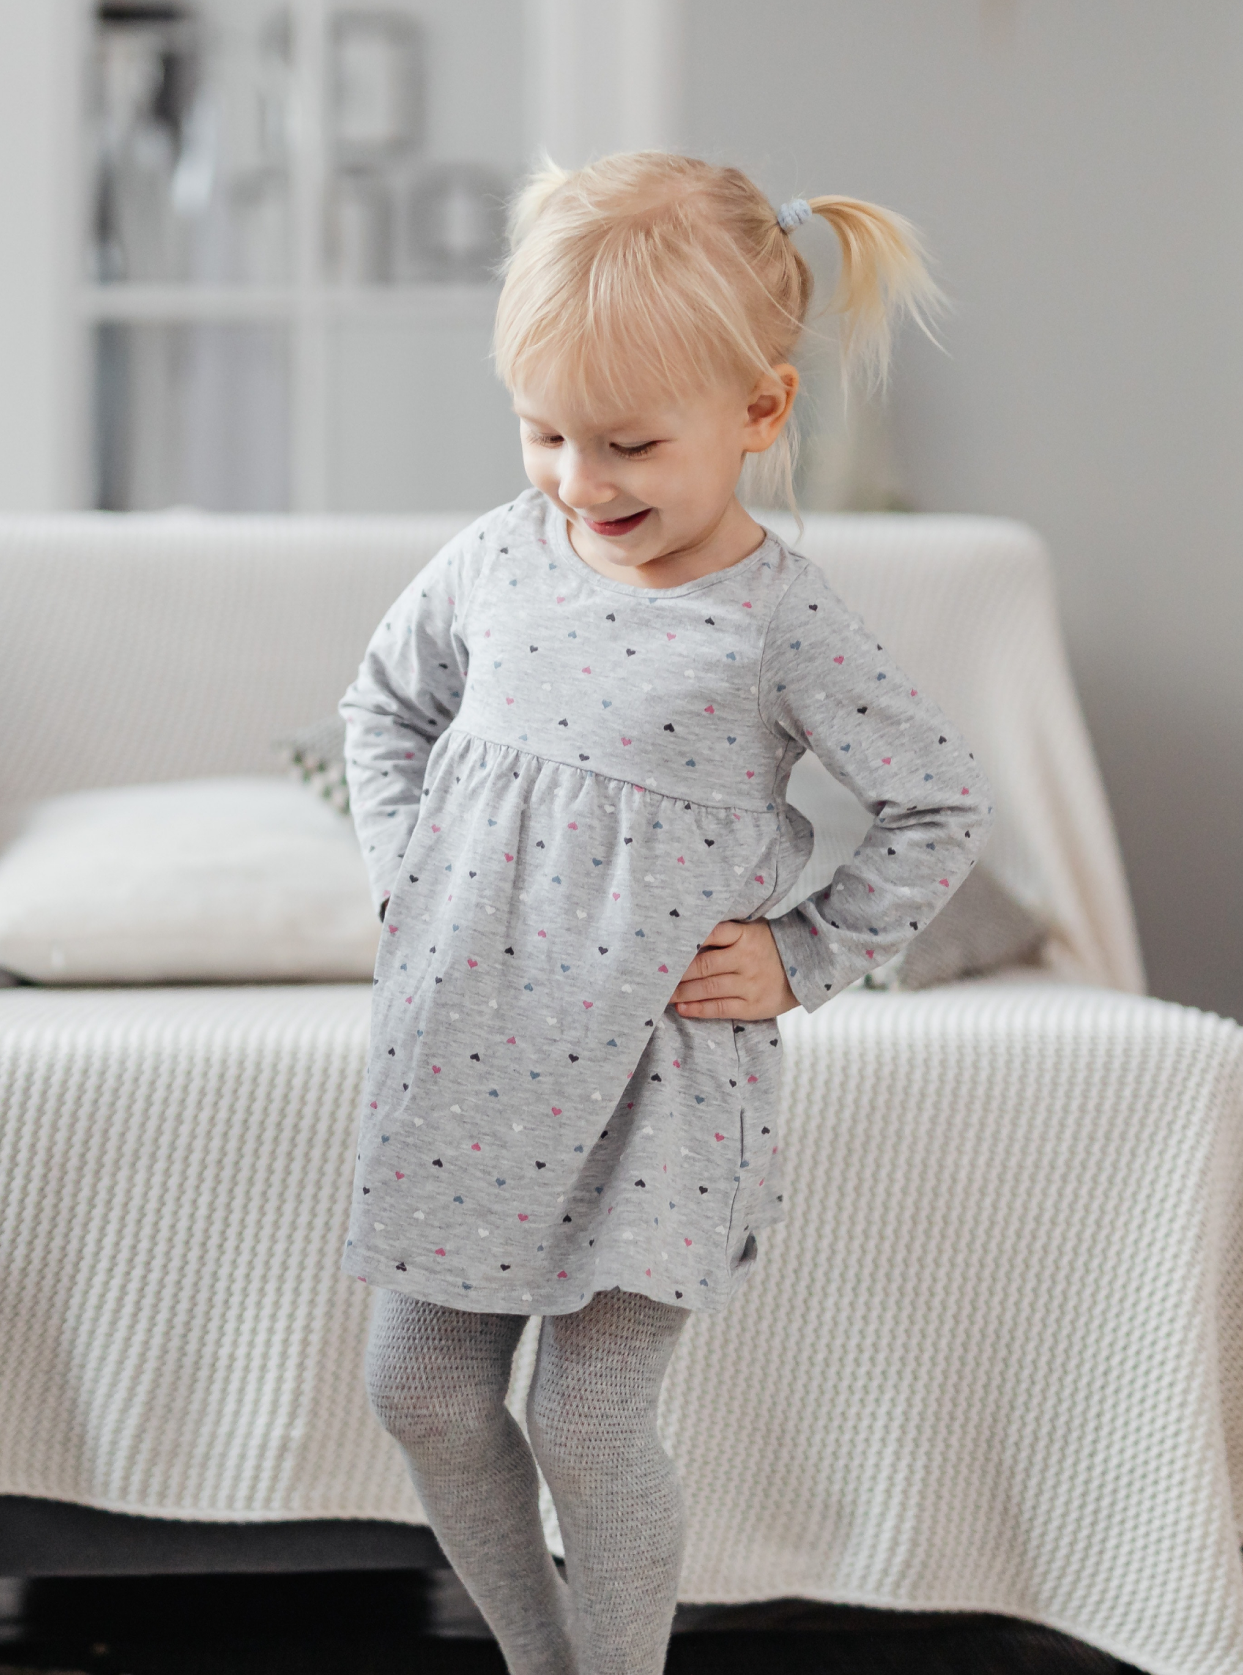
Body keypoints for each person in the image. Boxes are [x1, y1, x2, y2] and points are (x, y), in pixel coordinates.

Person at [339, 154, 993, 1674]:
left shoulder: (778, 619)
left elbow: (936, 799)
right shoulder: (498, 555)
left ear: (759, 414)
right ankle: (541, 1658)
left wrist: (810, 953)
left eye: (628, 443)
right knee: (423, 1392)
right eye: (544, 432)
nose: (580, 480)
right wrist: (406, 871)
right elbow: (387, 707)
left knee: (587, 1414)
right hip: (469, 1058)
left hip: (661, 1089)